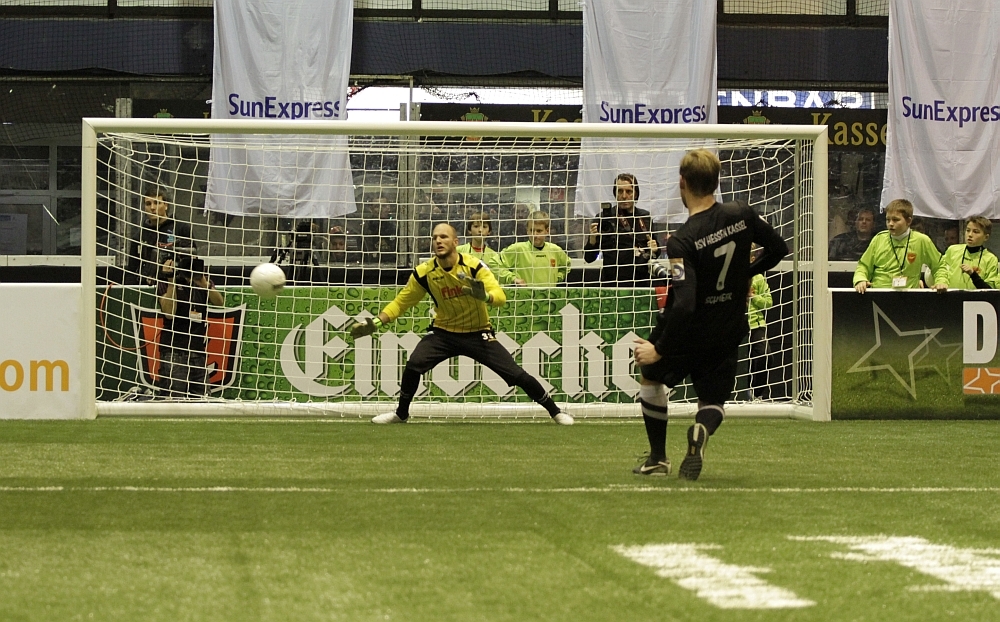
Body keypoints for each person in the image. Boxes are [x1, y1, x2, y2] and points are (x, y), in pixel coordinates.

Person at [632, 149, 788, 480]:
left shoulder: (681, 241)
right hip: (727, 326)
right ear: (716, 183)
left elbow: (685, 303)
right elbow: (779, 249)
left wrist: (659, 348)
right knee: (713, 402)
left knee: (650, 375)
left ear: (682, 183)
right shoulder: (742, 213)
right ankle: (701, 429)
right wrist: (745, 274)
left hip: (687, 330)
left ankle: (658, 459)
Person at [350, 223, 574, 426]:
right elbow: (401, 302)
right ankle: (401, 414)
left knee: (516, 374)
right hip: (443, 333)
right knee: (414, 365)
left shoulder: (474, 267)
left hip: (478, 333)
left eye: (444, 237)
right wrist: (377, 321)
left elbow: (500, 297)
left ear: (455, 242)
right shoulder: (424, 273)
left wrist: (484, 296)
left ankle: (555, 412)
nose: (438, 241)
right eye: (435, 237)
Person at [157, 254, 224, 397]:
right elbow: (169, 313)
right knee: (174, 400)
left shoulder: (201, 281)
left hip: (198, 351)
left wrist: (205, 284)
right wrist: (171, 281)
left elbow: (219, 302)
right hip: (174, 352)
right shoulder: (166, 282)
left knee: (203, 401)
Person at [584, 173, 660, 286]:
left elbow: (655, 252)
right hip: (612, 284)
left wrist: (655, 250)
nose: (624, 196)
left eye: (629, 191)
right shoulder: (604, 218)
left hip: (640, 283)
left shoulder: (645, 217)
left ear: (635, 194)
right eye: (620, 191)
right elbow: (589, 258)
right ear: (615, 193)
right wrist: (592, 241)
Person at [853, 199, 941, 293]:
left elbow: (939, 266)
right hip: (879, 295)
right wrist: (860, 279)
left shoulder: (922, 241)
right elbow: (863, 266)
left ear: (908, 221)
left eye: (895, 220)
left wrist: (941, 281)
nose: (890, 224)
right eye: (888, 220)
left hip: (909, 297)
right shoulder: (879, 239)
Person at [125, 187, 192, 286]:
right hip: (147, 288)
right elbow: (131, 271)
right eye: (148, 204)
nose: (152, 207)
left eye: (157, 203)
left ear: (166, 205)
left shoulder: (181, 229)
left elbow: (192, 261)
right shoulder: (139, 236)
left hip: (177, 287)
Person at [500, 211, 571, 286]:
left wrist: (557, 278)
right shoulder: (518, 249)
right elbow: (495, 264)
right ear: (527, 231)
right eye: (531, 230)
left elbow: (566, 266)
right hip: (524, 293)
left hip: (549, 293)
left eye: (539, 231)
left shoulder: (555, 250)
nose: (535, 235)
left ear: (547, 231)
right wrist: (512, 279)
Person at [456, 211, 523, 286]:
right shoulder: (458, 251)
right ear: (469, 230)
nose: (480, 230)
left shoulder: (494, 256)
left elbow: (498, 278)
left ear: (489, 231)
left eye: (484, 227)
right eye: (476, 226)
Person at [933, 216, 1000, 291]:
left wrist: (973, 275)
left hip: (977, 298)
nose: (970, 235)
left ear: (986, 237)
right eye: (968, 230)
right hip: (951, 296)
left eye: (976, 232)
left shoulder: (990, 259)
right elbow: (941, 270)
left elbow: (990, 291)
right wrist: (941, 282)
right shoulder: (953, 250)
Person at [747, 264, 774, 401]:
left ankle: (756, 393)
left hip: (756, 325)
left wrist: (753, 296)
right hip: (734, 324)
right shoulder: (731, 274)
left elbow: (768, 302)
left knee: (765, 355)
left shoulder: (758, 278)